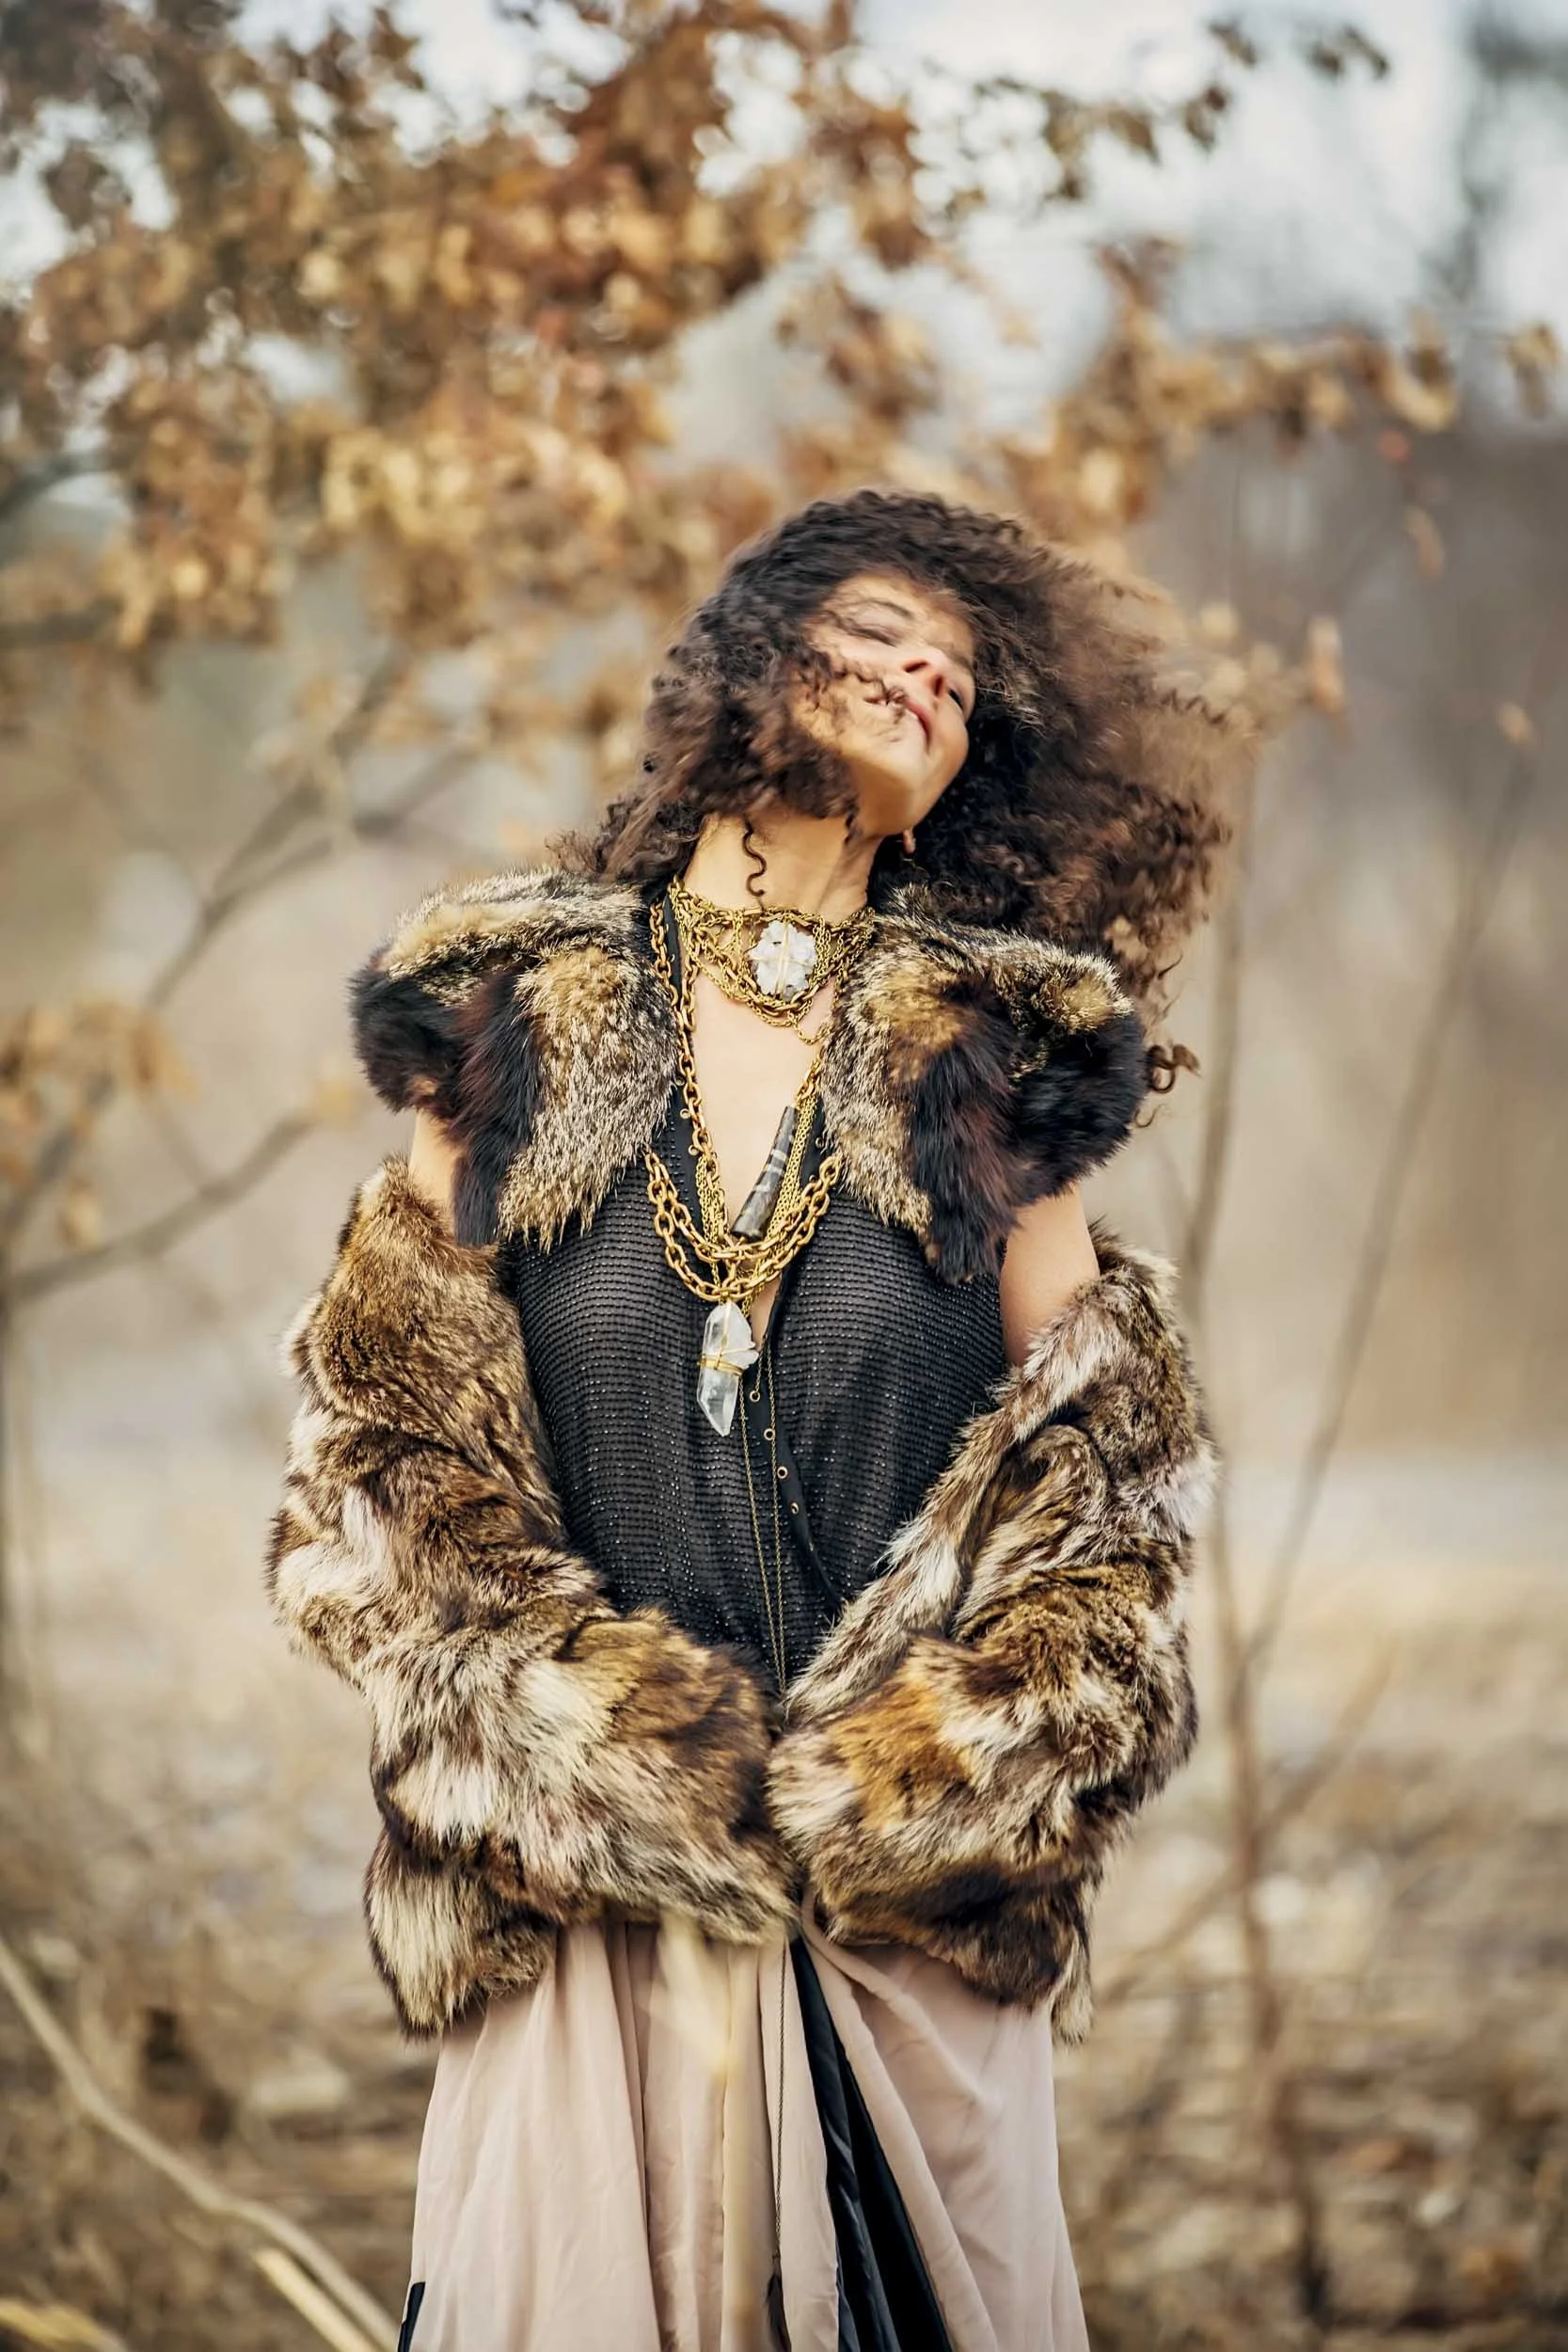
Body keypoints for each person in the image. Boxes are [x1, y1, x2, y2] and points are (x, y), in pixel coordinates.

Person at [266, 487, 1239, 2351]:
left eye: (955, 668)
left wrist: (899, 1793)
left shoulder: (992, 1060)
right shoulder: (514, 1019)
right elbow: (379, 1480)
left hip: (894, 1957)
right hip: (584, 1925)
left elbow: (1104, 1523)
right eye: (880, 629)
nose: (923, 671)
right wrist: (594, 1757)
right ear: (746, 660)